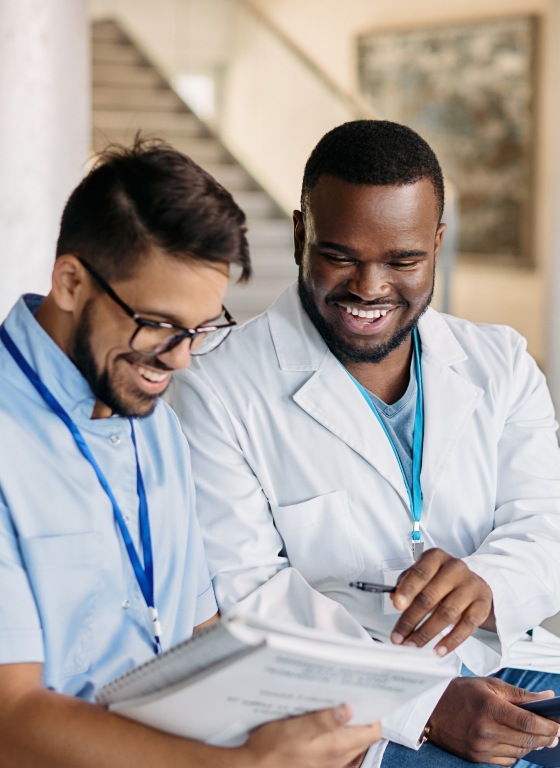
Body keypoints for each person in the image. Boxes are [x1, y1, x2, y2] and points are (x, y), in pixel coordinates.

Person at [169, 120, 560, 768]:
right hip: (347, 705)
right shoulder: (214, 385)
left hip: (511, 658)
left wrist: (489, 584)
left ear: (437, 242)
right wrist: (426, 707)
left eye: (403, 260)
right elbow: (245, 594)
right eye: (340, 256)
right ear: (301, 234)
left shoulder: (502, 362)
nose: (370, 288)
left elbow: (546, 524)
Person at [0, 139, 381, 768]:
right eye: (159, 324)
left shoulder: (153, 422)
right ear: (70, 282)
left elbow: (198, 633)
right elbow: (10, 721)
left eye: (201, 330)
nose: (179, 359)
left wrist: (303, 718)